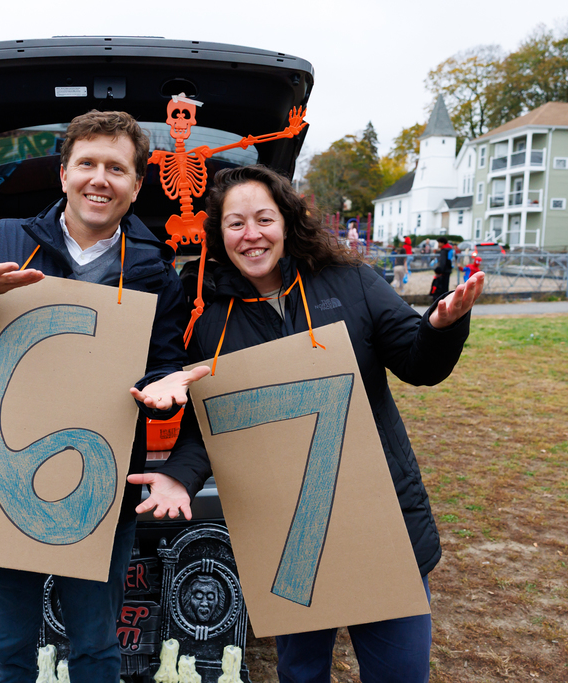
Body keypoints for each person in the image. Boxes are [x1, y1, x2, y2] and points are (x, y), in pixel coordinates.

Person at [0, 110, 210, 683]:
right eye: (87, 163)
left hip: (99, 496)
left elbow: (162, 364)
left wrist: (164, 390)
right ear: (64, 173)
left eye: (117, 168)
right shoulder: (6, 240)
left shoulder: (154, 272)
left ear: (137, 185)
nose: (100, 178)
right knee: (7, 654)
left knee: (95, 651)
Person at [171, 165, 484, 683]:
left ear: (287, 221)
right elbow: (207, 423)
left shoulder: (351, 281)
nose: (251, 235)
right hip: (286, 530)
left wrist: (441, 327)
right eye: (235, 224)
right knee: (301, 673)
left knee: (400, 673)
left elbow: (417, 361)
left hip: (379, 514)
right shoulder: (205, 316)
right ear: (216, 234)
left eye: (263, 219)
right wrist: (179, 473)